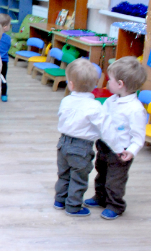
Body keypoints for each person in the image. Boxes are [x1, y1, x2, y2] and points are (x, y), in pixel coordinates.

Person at [84, 57, 148, 220]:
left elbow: (138, 137)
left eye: (109, 79)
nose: (107, 82)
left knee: (115, 180)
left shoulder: (135, 110)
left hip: (121, 152)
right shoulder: (111, 100)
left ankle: (115, 205)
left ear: (120, 84)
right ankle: (100, 197)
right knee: (101, 173)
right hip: (104, 146)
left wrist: (131, 151)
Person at [53, 59, 105, 217]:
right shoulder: (95, 106)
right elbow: (102, 127)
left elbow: (61, 116)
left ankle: (59, 200)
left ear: (71, 84)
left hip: (63, 143)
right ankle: (73, 206)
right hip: (82, 147)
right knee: (78, 178)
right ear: (95, 84)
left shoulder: (66, 100)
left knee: (64, 174)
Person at [0, 13, 12, 102]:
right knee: (3, 78)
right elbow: (8, 47)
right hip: (3, 61)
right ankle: (4, 95)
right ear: (5, 27)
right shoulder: (7, 38)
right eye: (9, 25)